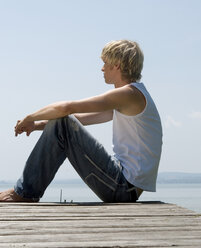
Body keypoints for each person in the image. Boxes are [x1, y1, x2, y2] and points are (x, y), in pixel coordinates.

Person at [0, 40, 162, 203]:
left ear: (117, 65)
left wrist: (30, 117)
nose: (102, 68)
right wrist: (36, 125)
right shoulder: (129, 98)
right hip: (124, 187)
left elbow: (67, 108)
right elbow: (77, 120)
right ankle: (25, 191)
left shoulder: (129, 94)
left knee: (63, 121)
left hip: (123, 189)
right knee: (63, 122)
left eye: (105, 63)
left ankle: (24, 193)